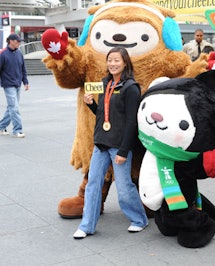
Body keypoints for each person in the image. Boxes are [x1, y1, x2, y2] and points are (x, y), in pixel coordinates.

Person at [73, 47, 148, 239]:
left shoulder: (131, 88)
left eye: (116, 60)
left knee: (124, 188)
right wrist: (91, 104)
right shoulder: (105, 83)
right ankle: (87, 225)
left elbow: (132, 121)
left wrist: (123, 151)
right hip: (101, 143)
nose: (112, 64)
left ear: (125, 63)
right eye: (110, 60)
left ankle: (139, 219)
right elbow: (102, 114)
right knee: (92, 185)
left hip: (119, 147)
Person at [0, 33, 29, 138]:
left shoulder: (19, 53)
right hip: (8, 85)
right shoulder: (3, 54)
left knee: (11, 108)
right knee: (14, 107)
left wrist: (25, 82)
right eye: (17, 41)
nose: (19, 43)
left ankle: (1, 126)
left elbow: (23, 69)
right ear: (11, 41)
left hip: (17, 84)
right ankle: (17, 130)